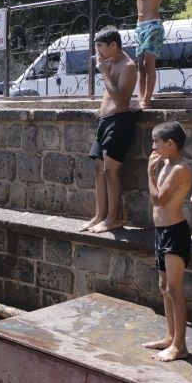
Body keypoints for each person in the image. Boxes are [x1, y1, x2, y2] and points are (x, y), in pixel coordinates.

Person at [115, 0, 192, 109]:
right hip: (140, 27)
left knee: (148, 63)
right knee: (140, 64)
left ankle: (146, 100)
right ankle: (140, 98)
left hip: (153, 26)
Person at [142, 121, 192, 362]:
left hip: (174, 232)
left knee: (174, 290)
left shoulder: (179, 169)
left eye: (156, 141)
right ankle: (170, 336)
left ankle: (180, 346)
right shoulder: (167, 163)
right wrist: (156, 169)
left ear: (170, 144)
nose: (153, 146)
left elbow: (159, 200)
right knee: (164, 289)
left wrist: (149, 174)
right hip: (161, 233)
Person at [80, 26, 138, 234]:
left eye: (100, 47)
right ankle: (100, 214)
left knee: (110, 172)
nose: (98, 52)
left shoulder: (128, 66)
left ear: (114, 45)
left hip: (119, 122)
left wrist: (104, 72)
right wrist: (105, 68)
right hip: (105, 122)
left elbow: (121, 99)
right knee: (98, 169)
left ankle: (114, 218)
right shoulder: (110, 61)